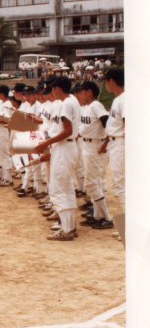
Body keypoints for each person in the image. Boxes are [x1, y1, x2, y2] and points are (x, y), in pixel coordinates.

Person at [34, 76, 81, 241]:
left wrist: (47, 142)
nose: (52, 91)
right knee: (66, 188)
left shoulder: (67, 103)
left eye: (53, 88)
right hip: (66, 147)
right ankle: (69, 226)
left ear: (58, 88)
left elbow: (67, 130)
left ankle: (67, 229)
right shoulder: (72, 101)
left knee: (59, 188)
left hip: (64, 146)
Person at [76, 80, 114, 229]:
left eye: (82, 91)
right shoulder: (87, 107)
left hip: (95, 146)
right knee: (93, 182)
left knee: (92, 183)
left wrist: (106, 142)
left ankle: (107, 218)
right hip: (87, 145)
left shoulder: (96, 105)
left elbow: (107, 122)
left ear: (89, 92)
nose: (80, 94)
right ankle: (98, 216)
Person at [99, 68, 125, 212]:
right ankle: (128, 230)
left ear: (112, 81)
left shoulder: (124, 99)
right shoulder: (117, 99)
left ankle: (130, 231)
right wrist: (105, 144)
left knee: (119, 187)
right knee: (120, 186)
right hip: (115, 142)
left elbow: (128, 126)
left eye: (106, 81)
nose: (106, 84)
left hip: (121, 143)